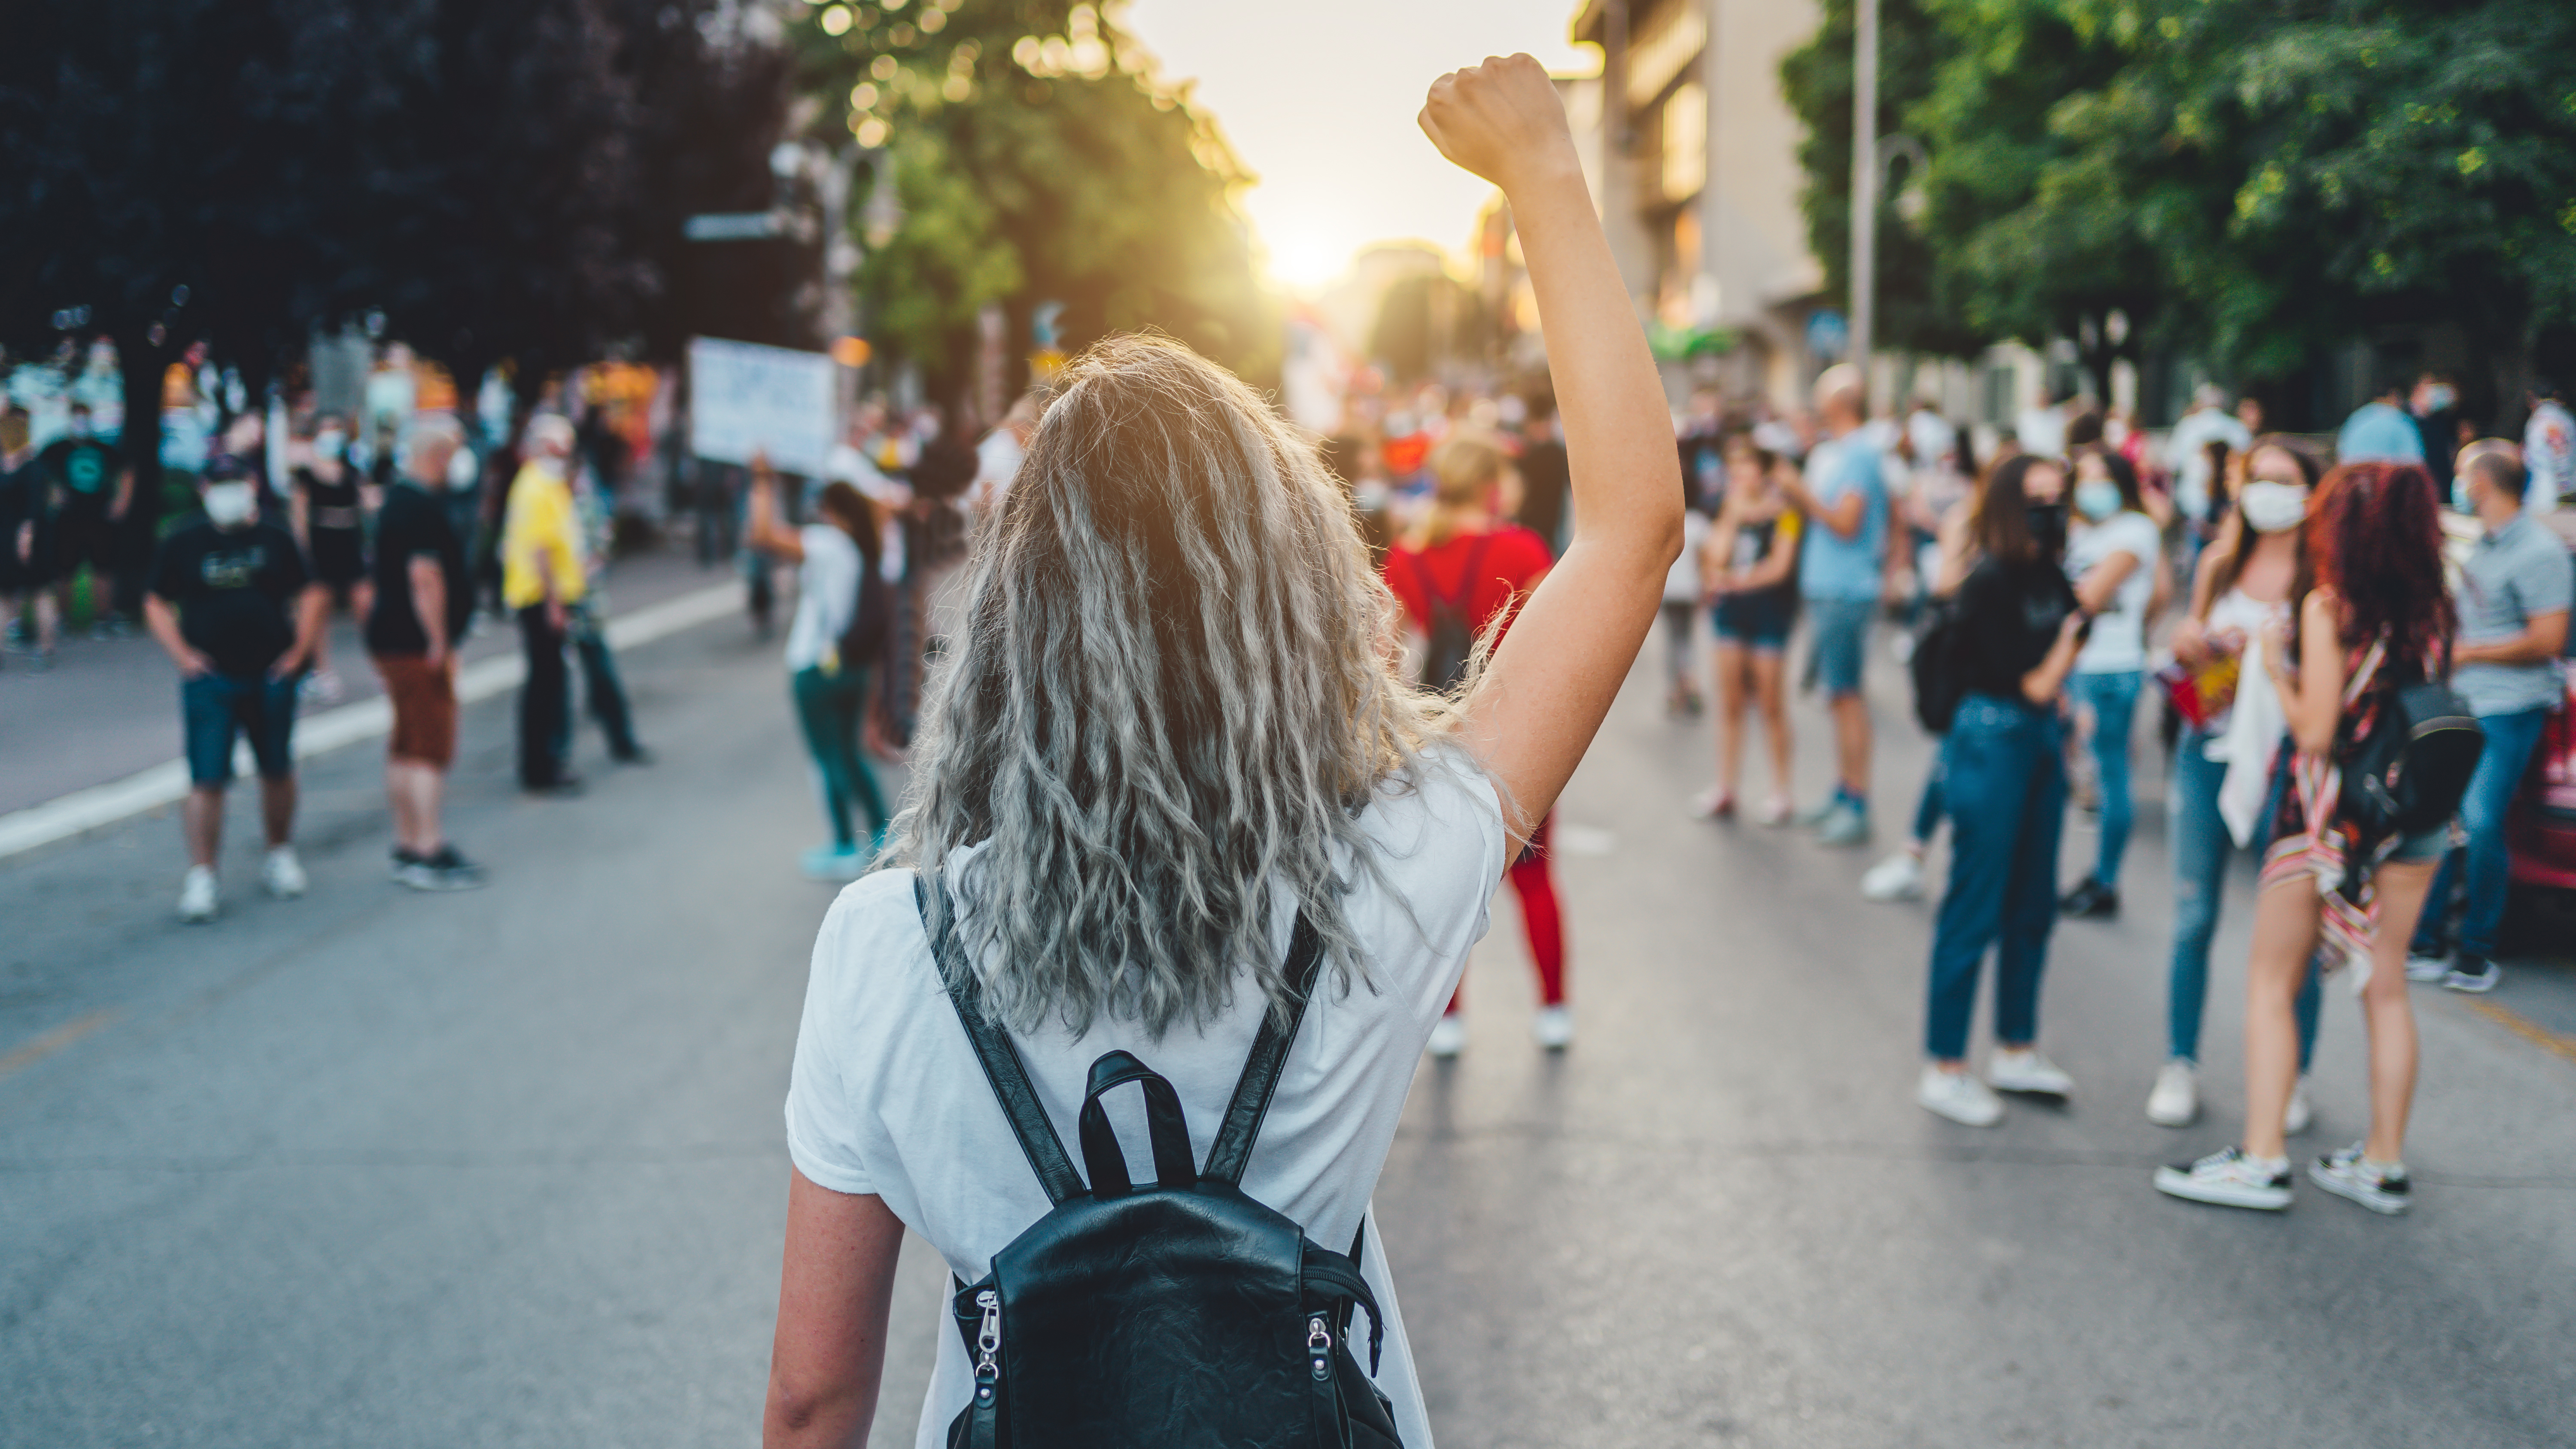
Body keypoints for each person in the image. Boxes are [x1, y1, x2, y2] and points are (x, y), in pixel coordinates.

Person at [763, 55, 1681, 1449]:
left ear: (1014, 618)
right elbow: (1630, 532)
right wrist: (1549, 178)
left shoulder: (889, 943)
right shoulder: (1379, 876)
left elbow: (814, 1402)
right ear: (1294, 599)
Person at [2156, 462, 2456, 1215]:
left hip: (2330, 818)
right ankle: (2382, 1162)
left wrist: (2274, 668)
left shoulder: (2329, 606)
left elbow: (2316, 730)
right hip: (2413, 814)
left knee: (2270, 982)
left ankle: (2262, 1158)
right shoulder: (2436, 608)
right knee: (2385, 986)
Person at [2148, 438, 2327, 1129]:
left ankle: (2295, 1074)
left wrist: (2274, 661)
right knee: (2193, 917)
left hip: (2290, 765)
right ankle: (2179, 1062)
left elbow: (2328, 686)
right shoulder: (2222, 560)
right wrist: (2190, 643)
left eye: (2285, 480)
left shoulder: (2322, 577)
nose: (2269, 491)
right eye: (2258, 478)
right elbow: (2188, 643)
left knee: (2292, 931)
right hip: (2207, 748)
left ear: (2312, 493)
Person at [1912, 454, 2084, 1126]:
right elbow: (2038, 678)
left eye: (2059, 496)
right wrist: (2070, 647)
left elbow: (2053, 670)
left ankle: (2016, 1047)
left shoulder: (2048, 571)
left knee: (2034, 902)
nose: (2052, 508)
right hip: (1991, 741)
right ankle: (1945, 1065)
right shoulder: (1987, 582)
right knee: (1975, 904)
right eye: (2037, 498)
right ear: (2009, 505)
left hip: (2038, 742)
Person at [1383, 432, 1570, 1053]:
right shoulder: (1522, 548)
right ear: (1492, 485)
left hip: (1438, 739)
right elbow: (1555, 650)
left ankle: (1450, 1019)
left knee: (1444, 886)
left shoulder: (1407, 558)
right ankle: (1552, 1009)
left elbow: (1387, 661)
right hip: (1521, 733)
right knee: (1536, 879)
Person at [2406, 441, 2573, 993]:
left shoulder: (2539, 552)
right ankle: (2426, 942)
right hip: (2464, 703)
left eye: (2460, 475)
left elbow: (2547, 639)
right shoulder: (2484, 546)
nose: (2456, 485)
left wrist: (2471, 653)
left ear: (2481, 482)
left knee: (2479, 821)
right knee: (2439, 819)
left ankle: (2476, 951)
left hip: (2509, 706)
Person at [142, 460, 326, 922]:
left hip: (269, 672)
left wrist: (299, 653)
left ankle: (279, 852)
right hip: (212, 677)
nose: (228, 493)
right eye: (218, 484)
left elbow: (311, 592)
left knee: (277, 767)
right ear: (205, 489)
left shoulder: (274, 536)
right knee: (207, 777)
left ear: (253, 486)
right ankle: (203, 873)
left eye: (236, 484)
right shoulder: (186, 539)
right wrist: (183, 656)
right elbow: (155, 600)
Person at [745, 456, 893, 882]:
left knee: (827, 756)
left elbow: (762, 535)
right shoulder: (865, 549)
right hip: (852, 665)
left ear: (834, 513)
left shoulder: (828, 546)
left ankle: (845, 842)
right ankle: (880, 832)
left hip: (815, 666)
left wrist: (761, 479)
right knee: (849, 752)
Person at [1774, 363, 1890, 846]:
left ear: (1842, 401)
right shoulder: (1839, 452)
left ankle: (1856, 800)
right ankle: (1844, 793)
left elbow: (1846, 522)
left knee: (1846, 696)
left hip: (1845, 589)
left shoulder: (1859, 454)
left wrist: (1801, 495)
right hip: (1830, 587)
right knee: (1837, 695)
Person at [366, 415, 483, 892]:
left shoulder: (399, 500)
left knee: (405, 741)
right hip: (415, 645)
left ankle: (408, 841)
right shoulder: (419, 508)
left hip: (391, 638)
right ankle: (426, 848)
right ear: (437, 454)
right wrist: (440, 641)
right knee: (428, 746)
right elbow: (425, 578)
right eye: (453, 452)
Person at [2058, 447, 2161, 919]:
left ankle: (2106, 879)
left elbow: (2088, 597)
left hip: (2111, 666)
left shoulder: (2135, 530)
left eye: (2102, 476)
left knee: (2111, 772)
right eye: (2085, 477)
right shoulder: (2081, 531)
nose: (2092, 486)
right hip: (2083, 662)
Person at [1696, 435, 1801, 822]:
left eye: (1747, 465)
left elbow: (1781, 567)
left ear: (1764, 470)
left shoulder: (1786, 513)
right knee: (1730, 702)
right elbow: (1717, 557)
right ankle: (1726, 787)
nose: (1739, 473)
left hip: (1770, 613)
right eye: (1734, 466)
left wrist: (1735, 581)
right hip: (1732, 614)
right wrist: (1734, 516)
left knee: (1771, 702)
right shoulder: (1731, 507)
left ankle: (1781, 791)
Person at [501, 414, 586, 795]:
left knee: (549, 682)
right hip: (539, 599)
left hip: (546, 597)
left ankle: (546, 762)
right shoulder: (536, 487)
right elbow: (541, 550)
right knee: (545, 684)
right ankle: (540, 767)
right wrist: (555, 603)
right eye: (558, 448)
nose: (564, 455)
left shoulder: (546, 484)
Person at [287, 414, 370, 704]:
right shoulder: (306, 475)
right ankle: (320, 672)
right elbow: (299, 516)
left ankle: (384, 662)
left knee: (366, 602)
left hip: (349, 541)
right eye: (326, 429)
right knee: (318, 610)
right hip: (322, 543)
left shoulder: (350, 469)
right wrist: (303, 553)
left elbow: (365, 504)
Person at [39, 401, 131, 638]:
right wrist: (52, 494)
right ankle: (62, 620)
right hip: (68, 520)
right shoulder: (56, 448)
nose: (81, 422)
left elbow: (128, 470)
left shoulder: (103, 447)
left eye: (85, 416)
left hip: (99, 518)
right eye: (77, 416)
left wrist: (121, 503)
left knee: (103, 569)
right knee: (64, 571)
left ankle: (104, 620)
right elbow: (37, 472)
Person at [0, 427, 59, 668]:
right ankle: (45, 650)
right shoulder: (35, 468)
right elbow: (39, 504)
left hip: (20, 538)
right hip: (27, 538)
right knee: (39, 594)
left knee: (10, 597)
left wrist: (26, 535)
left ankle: (43, 648)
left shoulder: (14, 470)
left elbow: (34, 507)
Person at [2166, 384, 2252, 532]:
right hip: (2228, 502)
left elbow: (2172, 463)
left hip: (2195, 500)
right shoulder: (2237, 428)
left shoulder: (2188, 426)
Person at [2335, 377, 2427, 465]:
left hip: (2355, 478)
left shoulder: (2356, 419)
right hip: (2389, 480)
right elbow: (2415, 461)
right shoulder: (2401, 421)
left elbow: (2341, 455)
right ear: (2394, 395)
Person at [2523, 378, 2573, 510]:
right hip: (2566, 488)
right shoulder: (2567, 417)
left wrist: (2562, 486)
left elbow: (2559, 454)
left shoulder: (2542, 420)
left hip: (2548, 494)